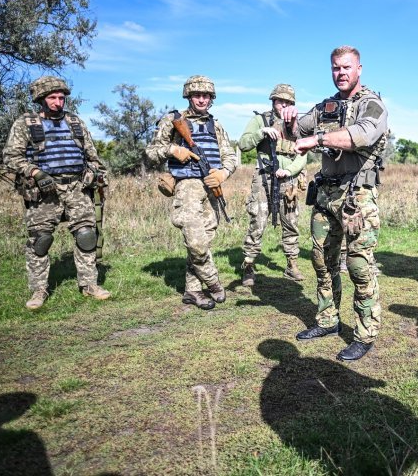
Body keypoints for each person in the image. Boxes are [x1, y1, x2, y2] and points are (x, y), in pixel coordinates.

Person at [282, 46, 388, 362]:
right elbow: (295, 130)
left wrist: (318, 140)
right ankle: (328, 321)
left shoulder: (372, 105)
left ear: (359, 69)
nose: (340, 73)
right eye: (335, 68)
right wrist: (287, 119)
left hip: (358, 196)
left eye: (346, 67)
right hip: (326, 194)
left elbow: (362, 135)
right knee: (321, 260)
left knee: (358, 263)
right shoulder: (326, 106)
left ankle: (365, 334)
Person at [3, 76, 112, 309]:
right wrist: (34, 172)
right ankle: (38, 290)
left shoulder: (75, 123)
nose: (58, 102)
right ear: (41, 99)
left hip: (76, 188)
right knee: (40, 240)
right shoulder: (26, 123)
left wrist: (92, 173)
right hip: (44, 191)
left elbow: (93, 158)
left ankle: (89, 285)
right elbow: (11, 157)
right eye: (52, 98)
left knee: (86, 236)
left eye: (61, 98)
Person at [145, 75, 237, 310]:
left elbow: (229, 156)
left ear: (212, 98)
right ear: (188, 96)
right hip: (187, 186)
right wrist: (173, 149)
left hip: (211, 187)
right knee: (195, 241)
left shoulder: (216, 125)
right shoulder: (173, 120)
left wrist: (223, 174)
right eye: (197, 95)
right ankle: (214, 281)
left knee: (205, 240)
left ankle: (193, 291)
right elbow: (151, 152)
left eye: (206, 95)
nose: (202, 99)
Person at [238, 84, 307, 286]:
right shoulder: (260, 120)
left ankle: (292, 264)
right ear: (273, 101)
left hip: (289, 179)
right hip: (264, 178)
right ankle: (248, 265)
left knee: (291, 221)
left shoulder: (298, 124)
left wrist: (290, 170)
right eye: (279, 100)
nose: (283, 105)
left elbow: (303, 155)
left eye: (287, 101)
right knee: (257, 221)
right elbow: (243, 144)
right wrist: (262, 132)